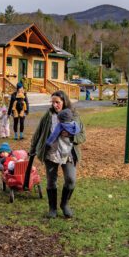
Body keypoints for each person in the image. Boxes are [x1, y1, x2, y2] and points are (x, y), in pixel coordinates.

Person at [29, 90, 85, 218]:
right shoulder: (48, 116)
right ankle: (52, 208)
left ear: (64, 101)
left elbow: (82, 136)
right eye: (53, 102)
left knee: (71, 180)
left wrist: (71, 136)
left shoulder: (74, 115)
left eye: (57, 102)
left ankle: (64, 204)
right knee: (51, 181)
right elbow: (38, 133)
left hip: (68, 154)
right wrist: (32, 149)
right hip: (51, 153)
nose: (55, 105)